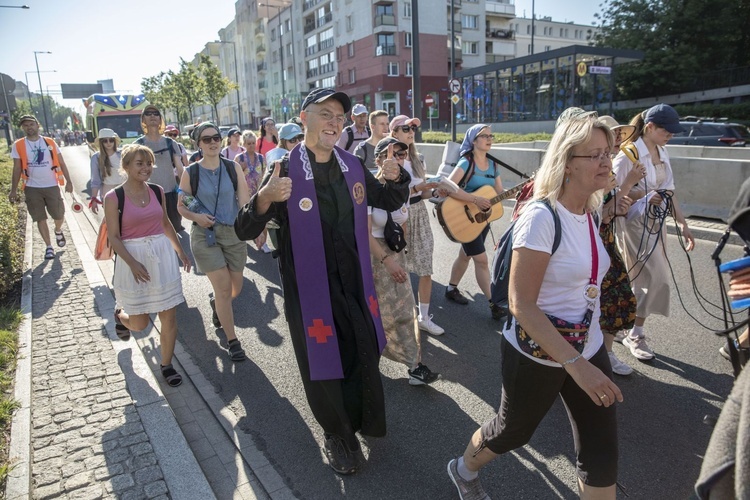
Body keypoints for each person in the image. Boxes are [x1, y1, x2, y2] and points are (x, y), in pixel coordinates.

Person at [234, 88, 410, 475]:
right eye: (325, 113)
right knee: (324, 365)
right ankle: (337, 435)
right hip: (310, 290)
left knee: (359, 348)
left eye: (340, 117)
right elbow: (244, 228)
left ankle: (361, 419)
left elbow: (387, 198)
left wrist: (396, 178)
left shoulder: (351, 164)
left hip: (355, 283)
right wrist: (265, 198)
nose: (334, 122)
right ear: (304, 118)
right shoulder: (283, 168)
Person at [448, 115, 622, 500]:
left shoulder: (589, 212)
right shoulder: (541, 218)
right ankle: (463, 469)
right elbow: (521, 304)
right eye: (594, 154)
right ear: (567, 162)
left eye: (607, 153)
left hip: (587, 346)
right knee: (513, 431)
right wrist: (576, 367)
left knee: (601, 451)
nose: (606, 161)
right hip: (536, 354)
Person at [613, 103, 695, 361]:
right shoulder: (628, 154)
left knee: (638, 279)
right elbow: (611, 194)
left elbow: (669, 192)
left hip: (657, 224)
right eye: (666, 131)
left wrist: (682, 223)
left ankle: (622, 325)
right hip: (633, 224)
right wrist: (644, 195)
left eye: (672, 132)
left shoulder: (663, 151)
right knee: (656, 277)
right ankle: (635, 333)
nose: (670, 135)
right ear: (649, 127)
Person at [105, 144, 191, 387]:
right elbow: (114, 237)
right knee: (140, 324)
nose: (146, 168)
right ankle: (120, 316)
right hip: (133, 258)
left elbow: (165, 223)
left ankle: (166, 365)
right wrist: (132, 263)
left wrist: (181, 252)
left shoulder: (157, 190)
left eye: (149, 163)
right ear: (126, 166)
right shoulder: (113, 198)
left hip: (162, 257)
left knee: (169, 317)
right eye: (139, 163)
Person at [368, 136, 439, 385]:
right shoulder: (368, 187)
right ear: (378, 159)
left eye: (402, 154)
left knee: (405, 311)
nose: (399, 159)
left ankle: (414, 366)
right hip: (375, 257)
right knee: (376, 313)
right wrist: (387, 260)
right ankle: (369, 361)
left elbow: (403, 220)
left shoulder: (402, 185)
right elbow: (364, 232)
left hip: (395, 255)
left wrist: (402, 253)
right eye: (393, 154)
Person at [177, 122, 250, 362]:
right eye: (206, 139)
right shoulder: (191, 172)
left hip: (233, 234)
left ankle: (217, 304)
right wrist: (197, 216)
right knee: (222, 288)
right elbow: (182, 204)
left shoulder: (233, 168)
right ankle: (233, 341)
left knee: (234, 289)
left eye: (216, 138)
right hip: (205, 236)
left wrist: (253, 228)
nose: (212, 142)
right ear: (198, 144)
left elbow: (245, 201)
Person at [389, 115, 444, 335]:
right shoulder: (390, 159)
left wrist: (436, 191)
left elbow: (424, 194)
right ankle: (401, 317)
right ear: (394, 133)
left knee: (425, 266)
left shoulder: (419, 158)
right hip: (398, 214)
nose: (411, 131)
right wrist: (421, 188)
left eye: (413, 128)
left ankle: (423, 317)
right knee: (398, 267)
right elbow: (393, 193)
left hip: (419, 213)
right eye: (406, 128)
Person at [444, 124, 506, 320]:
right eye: (484, 136)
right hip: (464, 216)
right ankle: (494, 304)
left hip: (482, 220)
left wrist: (522, 194)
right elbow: (448, 186)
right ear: (473, 141)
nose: (489, 139)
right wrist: (475, 199)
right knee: (481, 259)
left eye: (491, 135)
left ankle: (451, 289)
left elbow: (499, 192)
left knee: (466, 255)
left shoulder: (493, 165)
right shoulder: (466, 162)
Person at [595, 115, 640, 376]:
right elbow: (590, 212)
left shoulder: (609, 168)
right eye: (614, 137)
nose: (618, 142)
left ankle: (606, 355)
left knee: (618, 297)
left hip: (605, 240)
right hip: (590, 241)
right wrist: (628, 185)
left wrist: (618, 206)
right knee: (596, 300)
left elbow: (608, 211)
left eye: (620, 136)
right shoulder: (595, 169)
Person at [9, 115, 74, 260]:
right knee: (40, 218)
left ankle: (58, 230)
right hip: (31, 187)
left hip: (51, 185)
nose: (29, 127)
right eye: (25, 125)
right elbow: (16, 168)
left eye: (31, 124)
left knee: (59, 214)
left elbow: (62, 163)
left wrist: (69, 181)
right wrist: (13, 189)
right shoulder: (18, 145)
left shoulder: (49, 142)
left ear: (37, 125)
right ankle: (49, 247)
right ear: (22, 128)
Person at [134, 104, 185, 232]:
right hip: (148, 196)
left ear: (160, 119)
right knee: (154, 232)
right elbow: (134, 173)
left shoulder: (170, 143)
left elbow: (180, 169)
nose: (152, 116)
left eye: (156, 114)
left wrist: (185, 190)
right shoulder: (138, 145)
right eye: (148, 113)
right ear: (143, 119)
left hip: (171, 195)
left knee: (175, 229)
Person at [236, 130, 270, 253]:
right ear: (244, 144)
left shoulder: (261, 158)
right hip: (245, 195)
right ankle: (247, 240)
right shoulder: (239, 158)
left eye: (253, 143)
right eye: (248, 143)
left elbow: (266, 175)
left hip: (259, 194)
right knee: (247, 220)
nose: (251, 145)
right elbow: (234, 178)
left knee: (263, 220)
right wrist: (242, 168)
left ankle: (264, 243)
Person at [89, 128, 125, 214]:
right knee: (111, 219)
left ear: (115, 141)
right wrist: (94, 199)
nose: (108, 143)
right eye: (105, 141)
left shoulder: (123, 154)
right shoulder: (96, 157)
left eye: (111, 140)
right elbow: (95, 180)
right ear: (101, 143)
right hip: (108, 189)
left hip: (124, 188)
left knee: (127, 218)